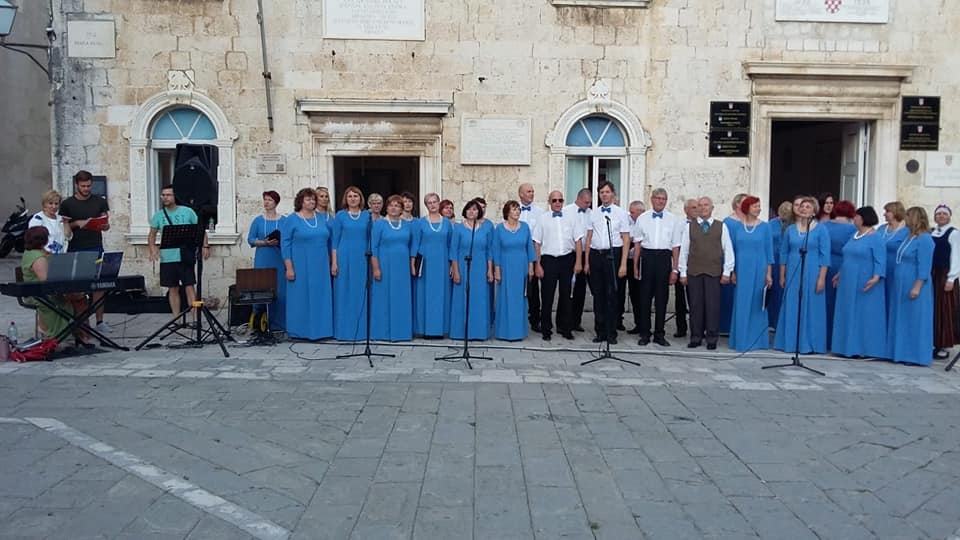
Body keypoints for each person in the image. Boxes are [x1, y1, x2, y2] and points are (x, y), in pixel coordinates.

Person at [20, 226, 92, 349]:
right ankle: (59, 334)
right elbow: (45, 280)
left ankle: (76, 334)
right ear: (44, 240)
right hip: (39, 293)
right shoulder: (37, 257)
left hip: (37, 290)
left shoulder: (32, 252)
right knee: (73, 300)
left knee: (77, 298)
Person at [773, 196, 830, 354]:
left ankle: (810, 343)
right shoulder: (790, 229)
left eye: (808, 207)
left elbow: (825, 256)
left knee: (811, 305)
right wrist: (782, 275)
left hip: (812, 271)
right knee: (792, 304)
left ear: (814, 212)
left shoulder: (821, 230)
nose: (804, 209)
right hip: (793, 270)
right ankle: (790, 342)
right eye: (802, 206)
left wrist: (821, 278)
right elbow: (784, 253)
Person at [678, 197, 735, 350]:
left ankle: (711, 338)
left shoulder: (721, 226)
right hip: (694, 272)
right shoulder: (689, 227)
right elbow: (684, 250)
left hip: (714, 272)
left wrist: (727, 271)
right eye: (700, 205)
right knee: (695, 306)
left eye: (706, 205)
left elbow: (728, 249)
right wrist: (682, 272)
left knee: (713, 306)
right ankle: (696, 337)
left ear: (712, 207)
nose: (703, 208)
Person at [831, 206, 886, 359]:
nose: (854, 219)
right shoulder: (854, 235)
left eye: (857, 216)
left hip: (865, 279)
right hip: (848, 279)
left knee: (863, 313)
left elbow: (880, 259)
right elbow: (848, 256)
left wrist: (876, 277)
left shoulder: (875, 237)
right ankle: (845, 346)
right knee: (847, 310)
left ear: (864, 218)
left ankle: (864, 348)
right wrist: (840, 273)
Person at [60, 170, 111, 333]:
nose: (86, 189)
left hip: (95, 245)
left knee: (99, 284)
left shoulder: (99, 201)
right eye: (83, 186)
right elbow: (63, 226)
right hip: (75, 247)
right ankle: (81, 321)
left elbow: (105, 221)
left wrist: (104, 225)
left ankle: (100, 320)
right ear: (77, 185)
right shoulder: (67, 204)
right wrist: (77, 223)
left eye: (89, 186)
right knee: (78, 286)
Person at [280, 188, 333, 340]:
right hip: (300, 264)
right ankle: (299, 331)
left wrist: (332, 261)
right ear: (301, 202)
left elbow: (331, 240)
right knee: (300, 297)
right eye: (308, 199)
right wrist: (289, 267)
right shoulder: (292, 219)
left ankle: (321, 331)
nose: (312, 202)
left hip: (321, 264)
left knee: (320, 296)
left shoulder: (322, 218)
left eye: (313, 199)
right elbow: (285, 244)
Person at [148, 184, 208, 317]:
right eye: (163, 195)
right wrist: (152, 248)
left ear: (175, 196)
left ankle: (195, 318)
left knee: (189, 286)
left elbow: (200, 230)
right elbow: (152, 234)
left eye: (168, 195)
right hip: (168, 257)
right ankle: (176, 318)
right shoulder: (158, 215)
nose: (165, 198)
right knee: (173, 288)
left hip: (185, 254)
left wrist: (205, 246)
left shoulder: (188, 211)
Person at [632, 187, 682, 346]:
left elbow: (675, 246)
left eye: (663, 199)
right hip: (647, 257)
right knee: (644, 298)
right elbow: (637, 244)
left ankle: (659, 334)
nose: (661, 201)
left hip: (664, 258)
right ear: (652, 199)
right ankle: (644, 333)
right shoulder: (643, 218)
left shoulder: (673, 219)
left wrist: (675, 269)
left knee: (662, 299)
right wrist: (635, 266)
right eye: (658, 198)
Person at [886, 206, 934, 366]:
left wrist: (917, 286)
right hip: (901, 283)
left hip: (914, 282)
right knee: (902, 317)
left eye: (907, 216)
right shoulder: (909, 236)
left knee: (914, 318)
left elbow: (924, 265)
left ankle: (914, 355)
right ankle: (899, 352)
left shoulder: (925, 239)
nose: (904, 219)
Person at [532, 191, 583, 341]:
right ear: (549, 202)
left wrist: (578, 262)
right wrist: (538, 265)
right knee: (547, 296)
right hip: (548, 260)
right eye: (554, 200)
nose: (557, 203)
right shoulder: (542, 219)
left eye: (560, 200)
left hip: (567, 259)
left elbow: (578, 241)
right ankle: (546, 329)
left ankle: (565, 327)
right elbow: (537, 243)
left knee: (566, 296)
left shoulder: (571, 218)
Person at [585, 181, 631, 344]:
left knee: (612, 294)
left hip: (613, 255)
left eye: (607, 192)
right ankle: (600, 331)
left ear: (613, 194)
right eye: (601, 192)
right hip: (596, 255)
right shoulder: (593, 213)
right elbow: (589, 238)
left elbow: (626, 239)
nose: (604, 195)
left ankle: (612, 332)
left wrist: (623, 264)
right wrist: (587, 262)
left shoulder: (621, 213)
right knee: (598, 295)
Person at [728, 196, 774, 352]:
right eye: (755, 206)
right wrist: (733, 271)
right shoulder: (737, 227)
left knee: (757, 304)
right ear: (747, 208)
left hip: (759, 269)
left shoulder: (765, 227)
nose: (758, 209)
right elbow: (733, 251)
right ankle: (740, 339)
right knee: (741, 302)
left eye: (759, 206)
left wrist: (768, 274)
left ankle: (757, 340)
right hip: (741, 270)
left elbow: (769, 253)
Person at [370, 195, 416, 341]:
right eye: (391, 205)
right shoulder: (379, 224)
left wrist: (412, 265)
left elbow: (412, 246)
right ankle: (382, 333)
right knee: (383, 298)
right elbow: (373, 247)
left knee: (401, 298)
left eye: (397, 205)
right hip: (384, 265)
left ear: (402, 209)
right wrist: (376, 268)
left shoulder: (407, 225)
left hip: (402, 267)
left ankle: (401, 332)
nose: (393, 208)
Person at [330, 186, 371, 341]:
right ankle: (344, 331)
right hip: (344, 257)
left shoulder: (367, 216)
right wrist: (334, 263)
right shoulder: (340, 216)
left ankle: (361, 331)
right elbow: (335, 241)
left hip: (362, 258)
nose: (353, 199)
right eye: (350, 196)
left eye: (356, 196)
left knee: (360, 292)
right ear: (345, 199)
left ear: (360, 198)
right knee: (344, 292)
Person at [449, 200, 494, 340]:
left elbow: (489, 250)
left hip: (480, 268)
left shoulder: (486, 229)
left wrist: (490, 270)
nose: (471, 212)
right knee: (462, 299)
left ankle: (479, 332)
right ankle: (460, 332)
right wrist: (456, 271)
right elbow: (453, 250)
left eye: (474, 209)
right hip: (464, 267)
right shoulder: (458, 228)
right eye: (469, 209)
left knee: (479, 299)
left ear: (479, 212)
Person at [493, 200, 537, 341]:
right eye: (514, 209)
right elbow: (496, 251)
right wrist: (497, 270)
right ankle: (504, 332)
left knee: (520, 298)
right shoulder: (499, 229)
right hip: (506, 266)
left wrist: (531, 267)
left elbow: (529, 248)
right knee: (505, 298)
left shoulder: (525, 227)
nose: (517, 211)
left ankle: (518, 332)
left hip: (521, 266)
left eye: (518, 209)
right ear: (507, 212)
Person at [413, 193, 453, 338]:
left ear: (439, 203)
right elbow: (415, 244)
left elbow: (451, 245)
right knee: (425, 296)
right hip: (426, 265)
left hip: (442, 263)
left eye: (434, 202)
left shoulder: (447, 223)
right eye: (429, 203)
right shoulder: (420, 223)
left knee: (441, 295)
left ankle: (440, 329)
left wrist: (452, 265)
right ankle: (425, 329)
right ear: (426, 205)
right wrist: (412, 264)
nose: (432, 205)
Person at [245, 190, 286, 331]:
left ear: (276, 202)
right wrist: (264, 242)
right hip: (263, 257)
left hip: (278, 258)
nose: (266, 202)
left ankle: (279, 323)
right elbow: (250, 239)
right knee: (261, 287)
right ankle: (259, 320)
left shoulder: (284, 220)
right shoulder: (258, 220)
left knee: (280, 289)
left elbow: (288, 238)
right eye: (265, 199)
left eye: (269, 200)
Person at [822, 200, 857, 348]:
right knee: (839, 303)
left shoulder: (824, 226)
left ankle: (823, 336)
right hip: (842, 264)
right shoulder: (852, 229)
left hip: (824, 264)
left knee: (824, 302)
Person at [931, 204, 960, 359]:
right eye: (938, 214)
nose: (941, 216)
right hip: (933, 274)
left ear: (949, 216)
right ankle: (934, 341)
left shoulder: (954, 233)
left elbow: (956, 256)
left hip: (945, 274)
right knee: (934, 308)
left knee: (945, 309)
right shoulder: (932, 232)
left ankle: (944, 345)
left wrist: (952, 277)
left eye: (944, 214)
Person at [517, 183, 544, 333]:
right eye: (528, 191)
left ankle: (535, 320)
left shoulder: (540, 212)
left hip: (533, 251)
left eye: (533, 191)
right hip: (516, 253)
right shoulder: (514, 209)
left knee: (533, 289)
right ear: (521, 194)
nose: (531, 194)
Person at [564, 188, 592, 332]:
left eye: (590, 203)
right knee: (568, 289)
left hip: (587, 253)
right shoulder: (566, 211)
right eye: (586, 202)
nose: (588, 205)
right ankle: (566, 321)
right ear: (579, 198)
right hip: (571, 253)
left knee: (580, 289)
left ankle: (576, 321)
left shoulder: (591, 214)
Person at [719, 193, 747, 335]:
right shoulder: (728, 223)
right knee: (729, 295)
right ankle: (726, 326)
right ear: (737, 204)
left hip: (746, 262)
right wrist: (731, 269)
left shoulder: (749, 221)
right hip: (731, 261)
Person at [671, 198, 698, 338]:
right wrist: (676, 268)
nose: (696, 210)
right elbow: (676, 246)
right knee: (680, 298)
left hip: (697, 265)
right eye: (693, 207)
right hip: (682, 263)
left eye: (697, 207)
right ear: (686, 210)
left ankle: (697, 329)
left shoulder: (703, 225)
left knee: (696, 299)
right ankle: (681, 328)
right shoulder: (679, 225)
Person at [768, 200, 794, 331]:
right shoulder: (771, 223)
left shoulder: (793, 225)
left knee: (783, 289)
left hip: (786, 260)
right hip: (773, 259)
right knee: (772, 290)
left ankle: (781, 321)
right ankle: (771, 320)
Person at [878, 201, 909, 311]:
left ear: (896, 212)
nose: (884, 214)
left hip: (896, 269)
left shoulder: (906, 231)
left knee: (893, 297)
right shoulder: (881, 229)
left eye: (887, 211)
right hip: (881, 268)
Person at [623, 200, 647, 334]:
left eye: (633, 212)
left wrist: (632, 240)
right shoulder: (627, 221)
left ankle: (641, 324)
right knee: (628, 292)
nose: (630, 214)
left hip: (640, 261)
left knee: (639, 294)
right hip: (626, 260)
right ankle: (619, 321)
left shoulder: (646, 222)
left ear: (641, 212)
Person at [31, 190, 72, 255]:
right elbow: (33, 239)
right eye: (50, 203)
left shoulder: (61, 218)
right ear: (44, 204)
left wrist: (66, 223)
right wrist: (45, 253)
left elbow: (68, 237)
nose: (54, 206)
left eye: (56, 204)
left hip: (61, 256)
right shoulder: (38, 218)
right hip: (44, 256)